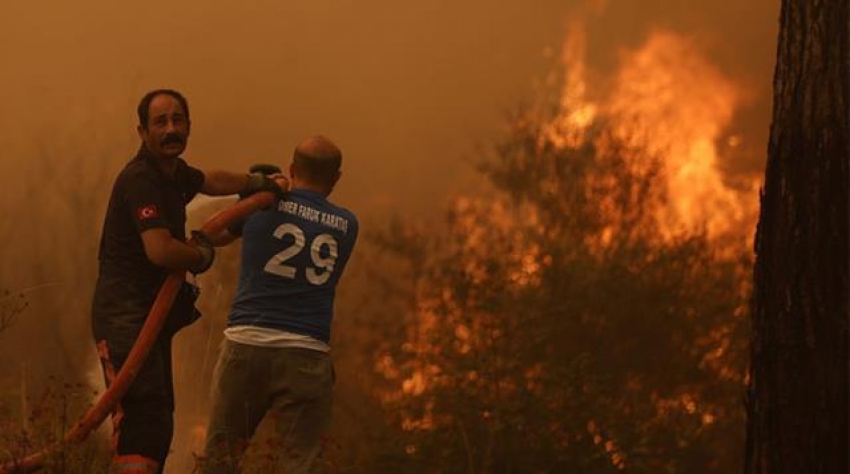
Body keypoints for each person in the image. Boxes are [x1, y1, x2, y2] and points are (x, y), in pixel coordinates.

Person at [91, 89, 285, 474]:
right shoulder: (140, 180)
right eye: (160, 122)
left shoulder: (174, 173)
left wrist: (255, 183)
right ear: (142, 131)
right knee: (141, 420)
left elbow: (210, 181)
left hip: (150, 317)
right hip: (124, 319)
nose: (170, 129)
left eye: (177, 120)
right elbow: (161, 251)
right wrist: (201, 255)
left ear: (189, 126)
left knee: (160, 418)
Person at [201, 136, 359, 473]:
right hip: (307, 353)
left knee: (220, 459)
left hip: (246, 345)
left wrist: (257, 193)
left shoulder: (262, 206)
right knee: (298, 464)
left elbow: (211, 236)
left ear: (291, 168)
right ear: (336, 178)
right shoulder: (348, 225)